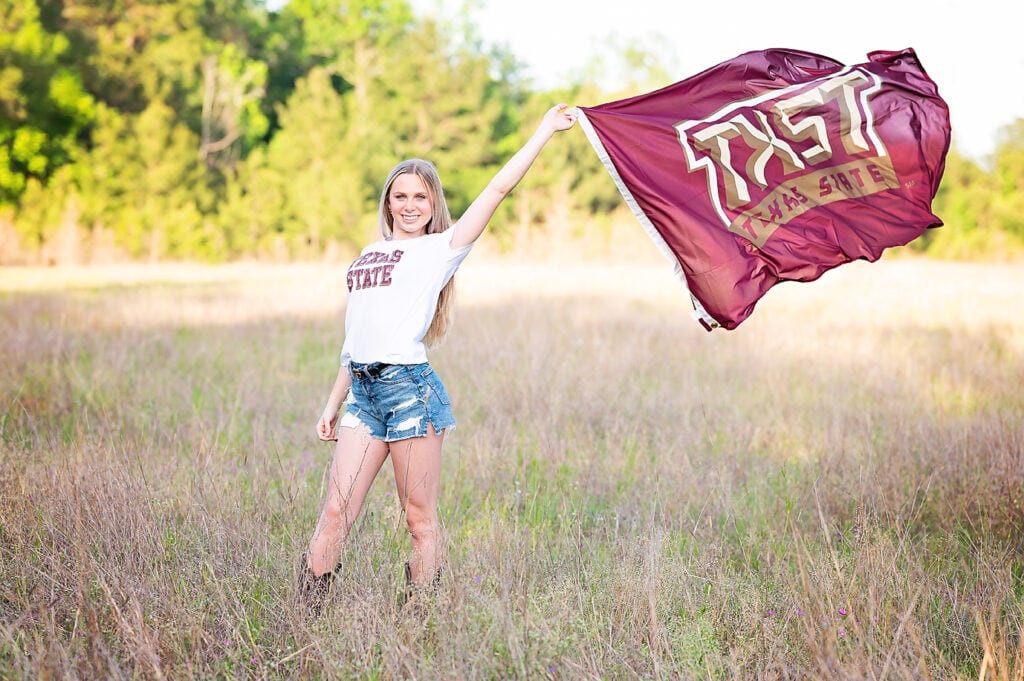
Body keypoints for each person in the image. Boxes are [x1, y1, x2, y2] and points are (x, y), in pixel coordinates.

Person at [297, 104, 578, 614]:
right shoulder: (366, 253)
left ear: (432, 204)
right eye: (399, 196)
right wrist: (331, 404)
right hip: (362, 396)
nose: (408, 205)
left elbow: (497, 190)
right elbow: (353, 339)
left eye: (419, 197)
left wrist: (543, 131)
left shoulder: (440, 249)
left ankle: (420, 619)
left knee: (418, 518)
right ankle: (306, 615)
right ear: (387, 202)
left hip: (410, 394)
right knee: (336, 511)